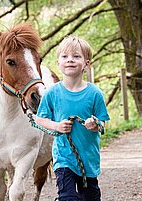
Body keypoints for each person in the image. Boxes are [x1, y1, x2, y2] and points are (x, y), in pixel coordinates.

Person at [36, 35, 110, 201]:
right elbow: (40, 119)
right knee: (68, 197)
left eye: (76, 56)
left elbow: (103, 122)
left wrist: (95, 124)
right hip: (64, 159)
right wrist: (57, 126)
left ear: (86, 64)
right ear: (58, 63)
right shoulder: (52, 93)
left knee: (90, 198)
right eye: (65, 56)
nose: (70, 60)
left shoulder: (94, 94)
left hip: (88, 159)